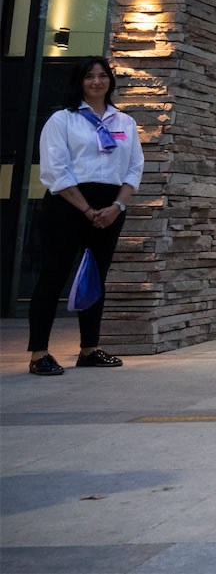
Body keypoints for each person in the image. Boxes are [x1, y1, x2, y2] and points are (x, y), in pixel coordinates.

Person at [29, 56, 145, 377]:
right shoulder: (62, 120)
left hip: (110, 208)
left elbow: (134, 168)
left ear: (110, 81)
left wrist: (116, 207)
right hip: (67, 205)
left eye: (103, 76)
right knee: (53, 277)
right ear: (79, 82)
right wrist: (87, 209)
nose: (97, 82)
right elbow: (56, 171)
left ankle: (89, 349)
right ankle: (40, 352)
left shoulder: (124, 122)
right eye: (89, 76)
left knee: (96, 277)